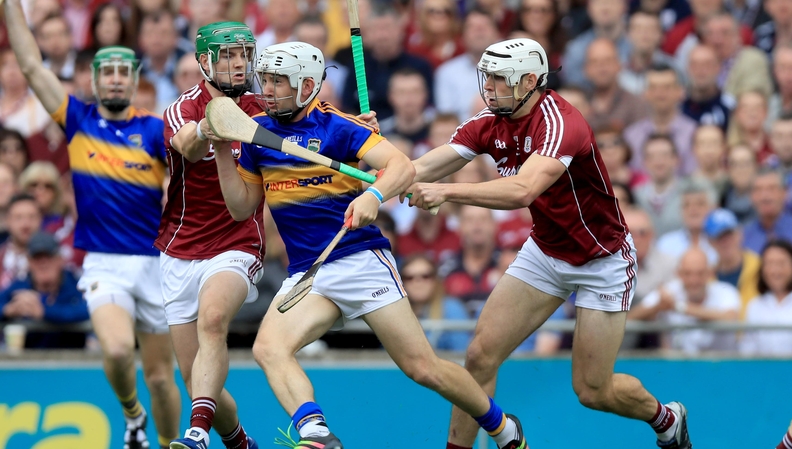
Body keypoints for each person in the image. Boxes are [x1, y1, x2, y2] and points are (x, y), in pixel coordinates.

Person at [211, 41, 528, 449]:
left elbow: (401, 167)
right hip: (309, 273)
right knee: (269, 348)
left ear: (307, 85)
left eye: (278, 82)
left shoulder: (339, 126)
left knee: (422, 368)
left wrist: (372, 197)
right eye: (265, 80)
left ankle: (504, 428)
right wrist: (222, 149)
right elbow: (241, 208)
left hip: (360, 259)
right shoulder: (257, 134)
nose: (267, 89)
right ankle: (317, 435)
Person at [404, 38, 691, 449]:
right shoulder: (490, 120)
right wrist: (377, 163)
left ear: (531, 81)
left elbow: (522, 190)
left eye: (501, 80)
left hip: (602, 259)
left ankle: (666, 417)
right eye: (489, 78)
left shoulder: (561, 123)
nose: (491, 88)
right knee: (480, 356)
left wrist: (446, 192)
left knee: (593, 391)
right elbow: (423, 165)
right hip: (546, 251)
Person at [4, 0, 182, 447]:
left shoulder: (157, 129)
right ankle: (132, 414)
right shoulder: (78, 120)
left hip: (155, 265)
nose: (117, 79)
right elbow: (29, 63)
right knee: (119, 350)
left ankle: (166, 442)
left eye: (125, 72)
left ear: (135, 80)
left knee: (162, 379)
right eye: (109, 72)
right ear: (95, 80)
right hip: (104, 263)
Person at [158, 21, 264, 449]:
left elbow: (317, 127)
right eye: (227, 55)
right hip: (180, 250)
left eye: (244, 54)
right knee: (196, 380)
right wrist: (209, 126)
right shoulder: (182, 108)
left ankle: (196, 434)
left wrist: (359, 125)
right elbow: (188, 146)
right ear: (204, 62)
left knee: (214, 321)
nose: (239, 64)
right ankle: (240, 443)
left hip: (237, 242)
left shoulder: (264, 107)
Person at [629, 248, 741, 354]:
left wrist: (678, 307)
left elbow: (730, 318)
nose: (694, 280)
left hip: (721, 367)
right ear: (679, 274)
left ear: (709, 273)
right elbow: (631, 317)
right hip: (679, 367)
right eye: (688, 273)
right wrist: (658, 307)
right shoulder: (670, 291)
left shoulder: (726, 291)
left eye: (700, 273)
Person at [0, 231, 88, 348]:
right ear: (29, 262)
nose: (43, 264)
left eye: (48, 257)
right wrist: (8, 310)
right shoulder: (21, 286)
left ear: (60, 259)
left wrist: (44, 311)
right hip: (29, 361)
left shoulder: (75, 284)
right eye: (37, 258)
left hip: (72, 360)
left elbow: (88, 309)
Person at [740, 240, 792, 356]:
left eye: (781, 263)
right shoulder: (755, 306)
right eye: (769, 264)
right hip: (762, 372)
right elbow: (748, 350)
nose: (775, 270)